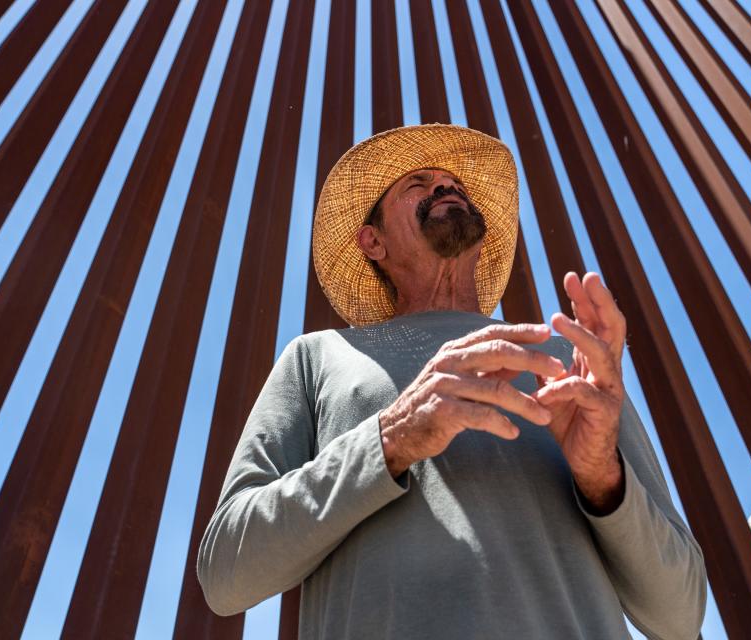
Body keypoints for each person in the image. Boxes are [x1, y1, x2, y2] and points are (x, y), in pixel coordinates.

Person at [198, 124, 707, 639]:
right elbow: (226, 574)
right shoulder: (319, 356)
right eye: (417, 183)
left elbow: (680, 614)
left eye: (454, 183)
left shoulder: (562, 360)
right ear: (372, 240)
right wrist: (389, 439)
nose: (446, 186)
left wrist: (601, 476)